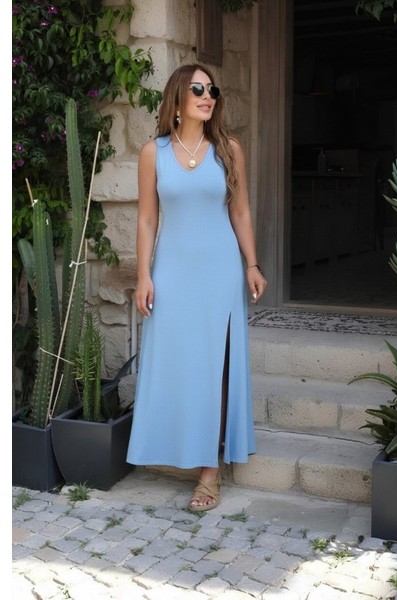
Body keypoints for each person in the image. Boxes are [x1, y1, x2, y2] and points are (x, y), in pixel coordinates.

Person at [126, 63, 267, 512]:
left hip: (220, 270)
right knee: (175, 360)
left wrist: (252, 264)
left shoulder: (228, 149)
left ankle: (209, 471)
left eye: (212, 91)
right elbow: (147, 219)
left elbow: (240, 212)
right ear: (178, 97)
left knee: (215, 364)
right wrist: (144, 274)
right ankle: (177, 445)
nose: (208, 97)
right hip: (172, 270)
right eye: (198, 89)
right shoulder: (154, 153)